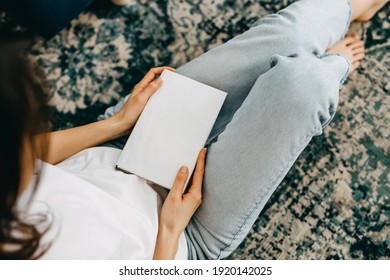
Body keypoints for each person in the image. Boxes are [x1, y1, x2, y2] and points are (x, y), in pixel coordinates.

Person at [0, 0, 387, 260]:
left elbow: (24, 155)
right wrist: (169, 231)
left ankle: (353, 7)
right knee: (305, 86)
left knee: (291, 34)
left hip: (121, 148)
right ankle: (333, 66)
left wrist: (116, 123)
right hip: (185, 233)